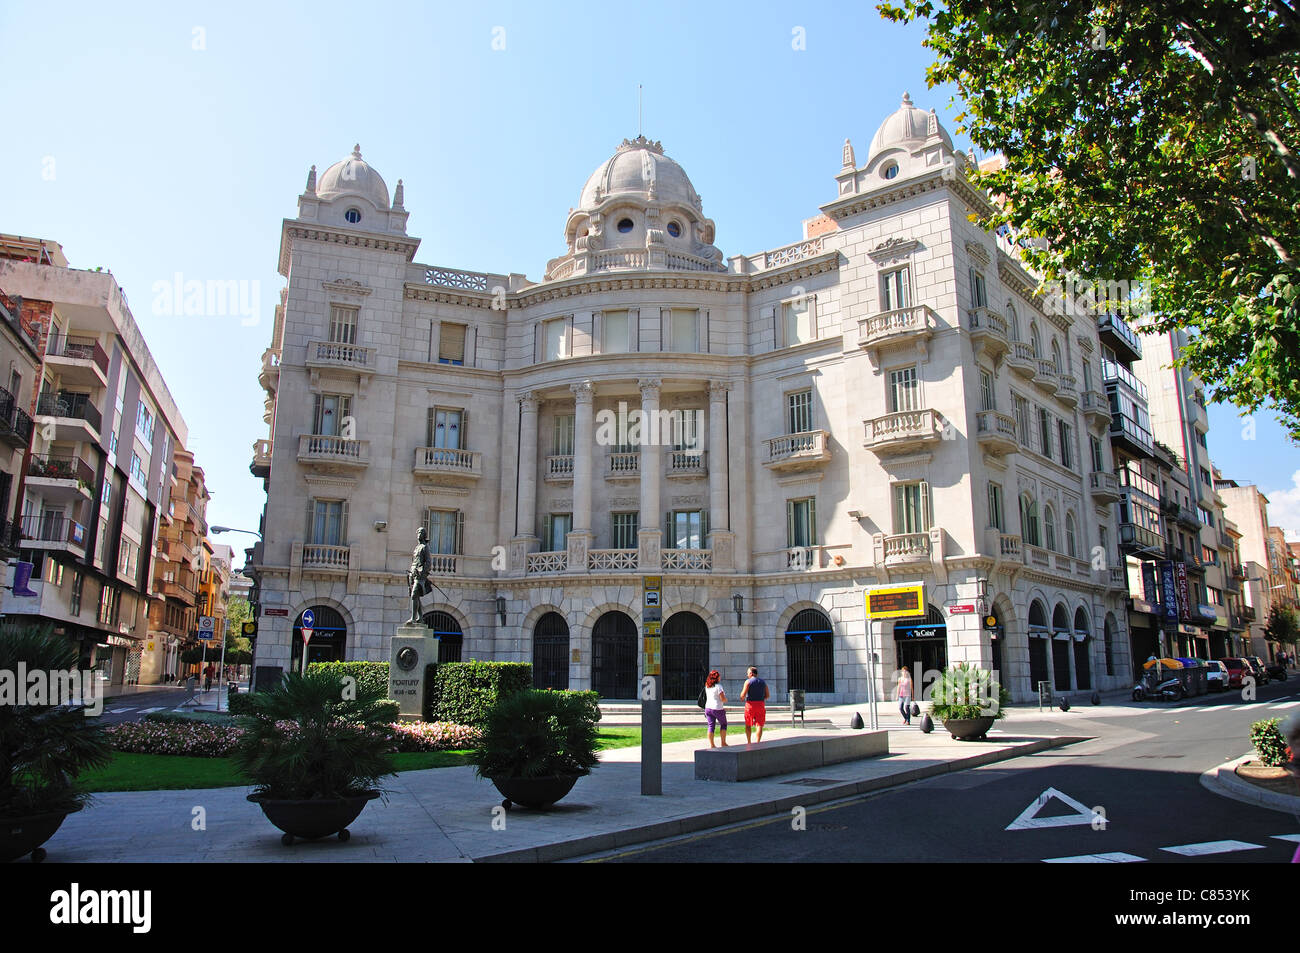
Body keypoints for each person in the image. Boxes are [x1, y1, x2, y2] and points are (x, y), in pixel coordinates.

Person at [739, 666, 770, 744]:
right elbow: (767, 695)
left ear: (751, 673)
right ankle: (758, 742)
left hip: (750, 705)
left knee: (748, 724)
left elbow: (743, 695)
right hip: (760, 704)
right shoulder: (763, 682)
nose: (747, 675)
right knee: (759, 724)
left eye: (748, 673)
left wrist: (742, 697)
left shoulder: (748, 682)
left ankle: (749, 742)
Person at [703, 670, 728, 748]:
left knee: (711, 726)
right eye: (719, 676)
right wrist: (726, 700)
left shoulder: (707, 686)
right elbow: (722, 699)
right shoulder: (719, 687)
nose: (720, 677)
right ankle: (723, 742)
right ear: (716, 678)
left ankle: (712, 744)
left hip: (708, 708)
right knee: (723, 724)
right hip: (717, 708)